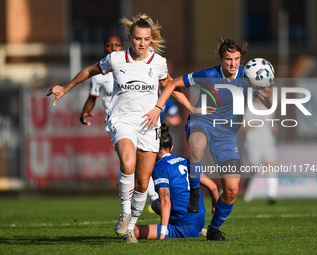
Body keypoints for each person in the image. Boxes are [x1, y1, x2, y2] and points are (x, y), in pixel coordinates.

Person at [47, 13, 176, 243]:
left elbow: (170, 85)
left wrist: (191, 109)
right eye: (137, 39)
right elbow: (89, 71)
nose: (142, 43)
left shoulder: (158, 62)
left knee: (143, 184)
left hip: (149, 125)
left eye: (146, 39)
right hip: (122, 120)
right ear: (130, 38)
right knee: (128, 163)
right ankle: (125, 212)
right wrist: (65, 89)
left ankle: (131, 228)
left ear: (151, 39)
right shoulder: (116, 59)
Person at [156, 38, 274, 241]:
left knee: (231, 190)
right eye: (228, 59)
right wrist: (167, 107)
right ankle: (194, 191)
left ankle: (213, 229)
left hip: (226, 134)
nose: (233, 63)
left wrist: (268, 94)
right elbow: (172, 83)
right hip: (201, 121)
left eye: (236, 58)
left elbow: (267, 103)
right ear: (220, 58)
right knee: (197, 145)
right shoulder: (208, 75)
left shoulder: (248, 76)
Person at [78, 33, 159, 231]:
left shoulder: (136, 65)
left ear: (123, 46)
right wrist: (86, 111)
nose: (113, 48)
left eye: (116, 45)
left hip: (143, 123)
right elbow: (92, 97)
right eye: (109, 45)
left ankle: (151, 205)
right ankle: (142, 203)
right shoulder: (103, 72)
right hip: (118, 122)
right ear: (104, 47)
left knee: (142, 171)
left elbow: (158, 87)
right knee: (129, 162)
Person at [133, 124, 218, 240]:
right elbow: (213, 187)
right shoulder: (184, 161)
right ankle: (197, 230)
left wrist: (163, 233)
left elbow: (165, 200)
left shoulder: (160, 167)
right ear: (171, 148)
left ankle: (172, 228)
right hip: (199, 220)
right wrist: (214, 208)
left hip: (185, 226)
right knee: (154, 204)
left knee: (132, 231)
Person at [242, 98, 278, 204]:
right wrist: (256, 123)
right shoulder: (250, 108)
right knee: (254, 169)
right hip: (253, 143)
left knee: (271, 165)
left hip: (268, 142)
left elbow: (272, 125)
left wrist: (273, 127)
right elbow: (243, 125)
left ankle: (272, 194)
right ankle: (247, 190)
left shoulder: (268, 109)